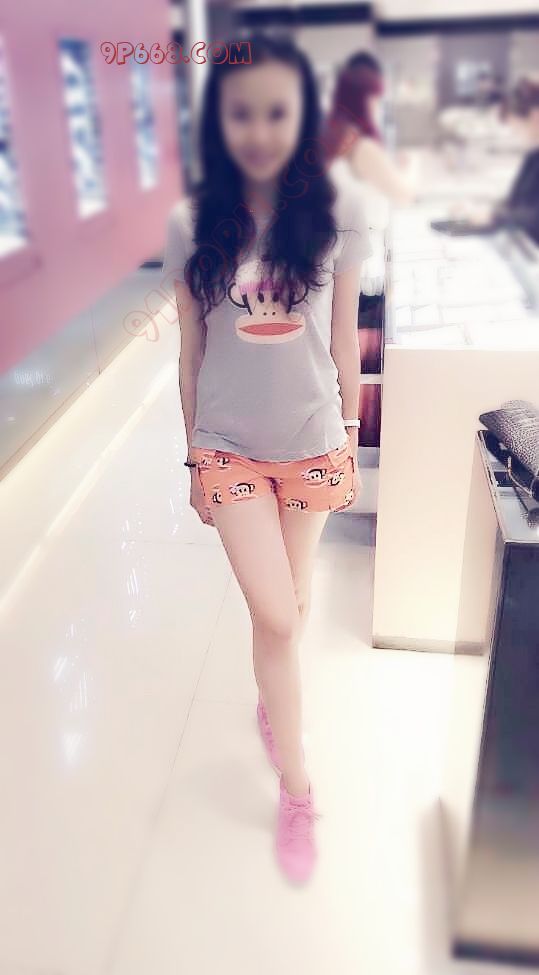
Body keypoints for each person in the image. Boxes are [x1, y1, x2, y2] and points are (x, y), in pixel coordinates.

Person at [161, 35, 371, 884]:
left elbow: (342, 340)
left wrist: (348, 433)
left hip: (312, 439)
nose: (258, 130)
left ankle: (269, 703)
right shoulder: (190, 223)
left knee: (298, 597)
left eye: (276, 112)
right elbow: (189, 352)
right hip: (229, 446)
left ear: (302, 117)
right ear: (218, 123)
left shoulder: (338, 213)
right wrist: (192, 457)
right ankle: (297, 788)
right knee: (278, 617)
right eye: (240, 113)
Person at [321, 50, 418, 207]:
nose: (377, 107)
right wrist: (409, 166)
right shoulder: (361, 146)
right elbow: (404, 196)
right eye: (375, 99)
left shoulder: (333, 133)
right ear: (361, 100)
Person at [455, 77, 539, 244]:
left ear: (535, 116)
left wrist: (494, 216)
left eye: (517, 128)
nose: (517, 135)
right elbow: (516, 201)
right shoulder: (533, 156)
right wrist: (485, 210)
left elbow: (535, 216)